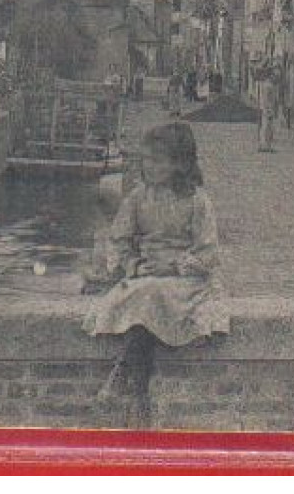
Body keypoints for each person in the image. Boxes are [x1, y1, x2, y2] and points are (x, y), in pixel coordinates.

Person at [83, 122, 230, 425]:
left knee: (148, 295)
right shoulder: (138, 198)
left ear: (179, 164)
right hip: (148, 275)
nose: (149, 166)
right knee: (144, 293)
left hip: (186, 281)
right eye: (146, 159)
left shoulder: (196, 201)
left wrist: (175, 265)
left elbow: (208, 252)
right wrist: (133, 266)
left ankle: (125, 376)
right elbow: (118, 242)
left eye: (158, 160)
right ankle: (140, 394)